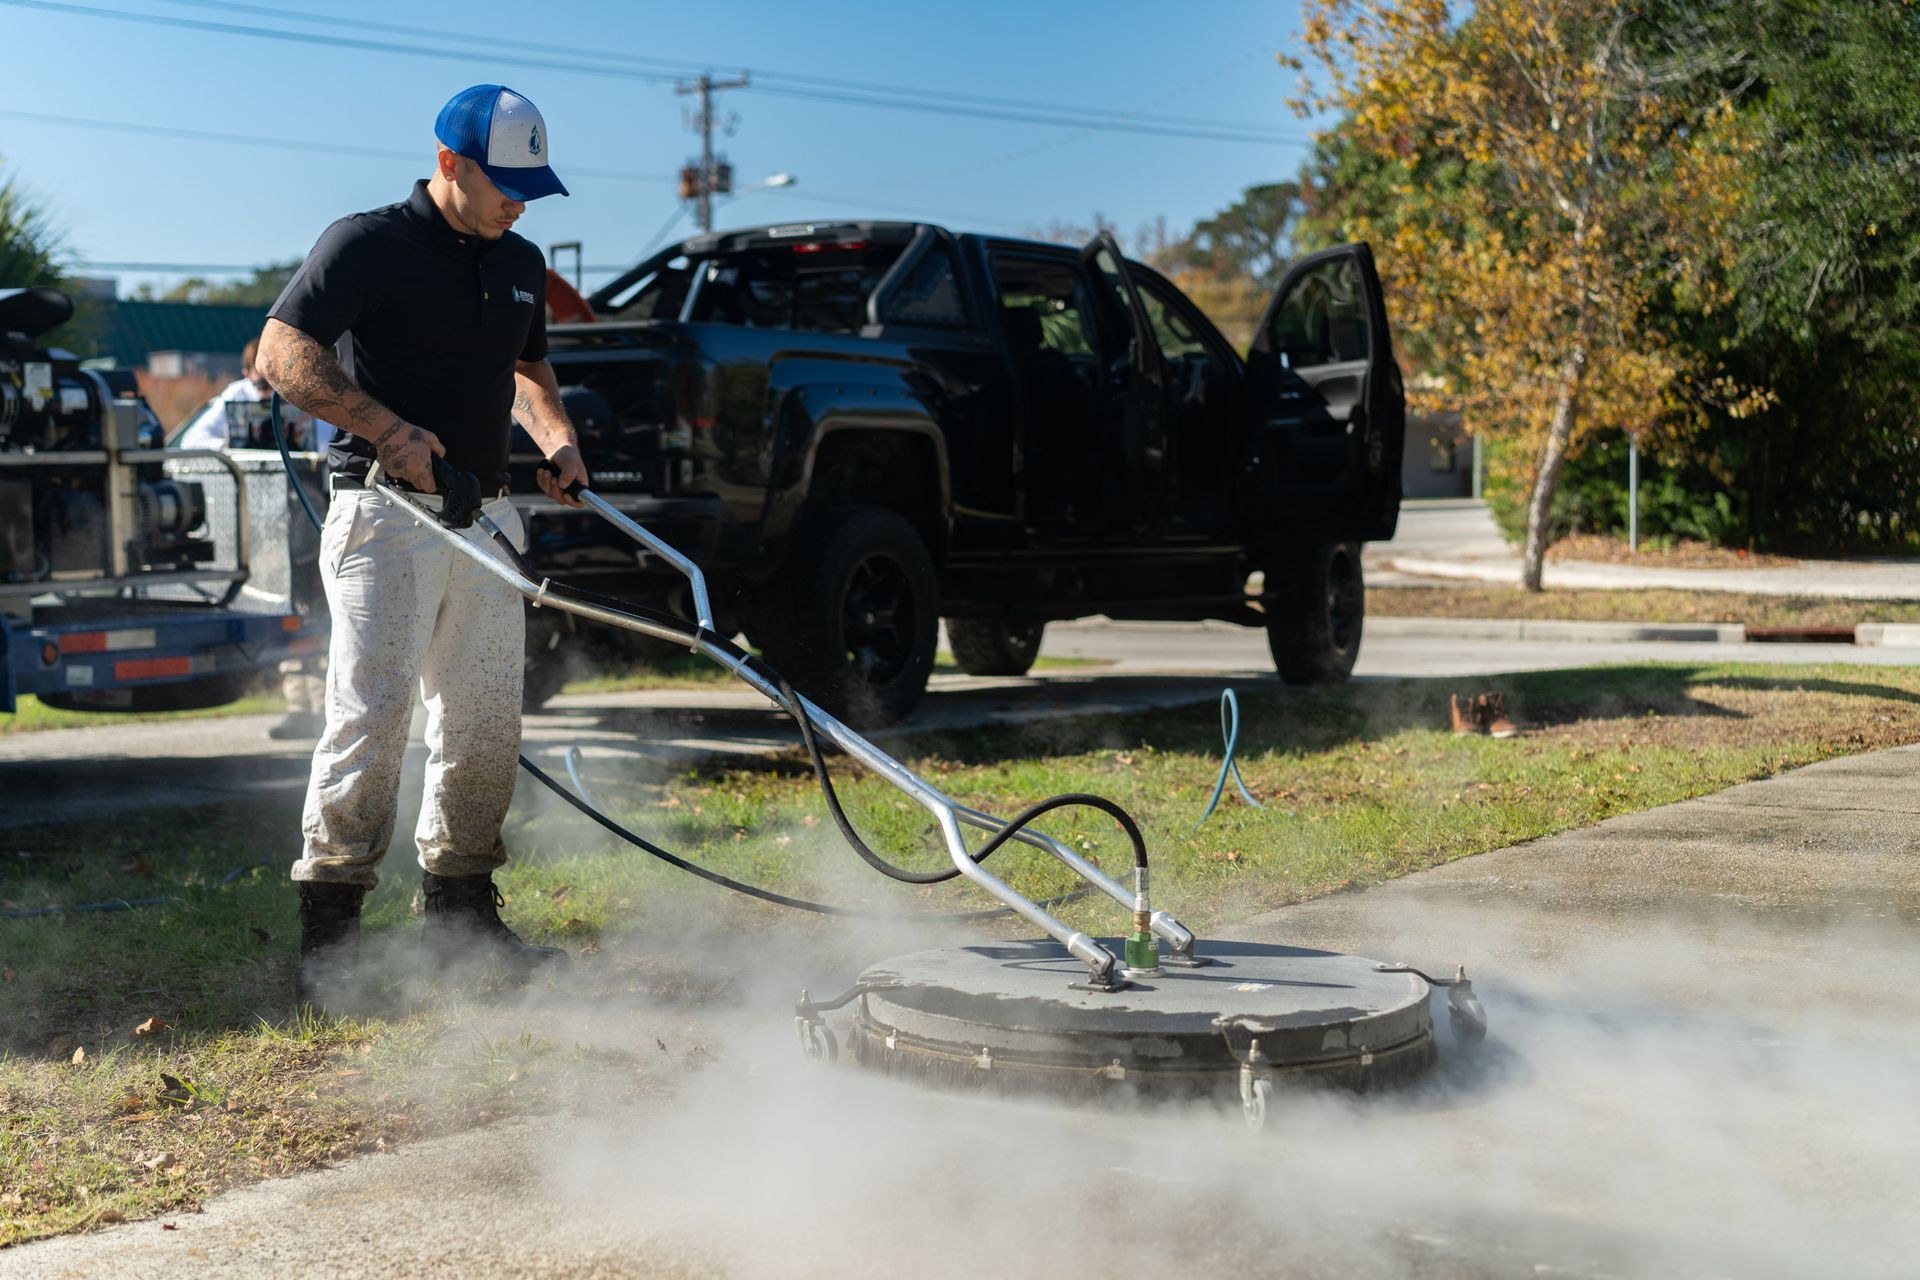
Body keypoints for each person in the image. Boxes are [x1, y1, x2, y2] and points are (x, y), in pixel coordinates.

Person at [256, 84, 589, 1010]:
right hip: (383, 514)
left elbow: (527, 367)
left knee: (484, 724)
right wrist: (388, 429)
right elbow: (281, 353)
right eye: (507, 182)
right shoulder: (366, 244)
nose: (521, 200)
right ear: (452, 163)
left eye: (533, 184)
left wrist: (555, 438)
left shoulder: (519, 258)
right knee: (375, 718)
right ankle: (332, 946)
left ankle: (462, 926)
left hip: (486, 518)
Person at [173, 339, 270, 452]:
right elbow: (191, 441)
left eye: (277, 387)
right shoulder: (236, 395)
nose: (271, 393)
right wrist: (228, 447)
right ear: (246, 375)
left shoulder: (293, 394)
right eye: (263, 386)